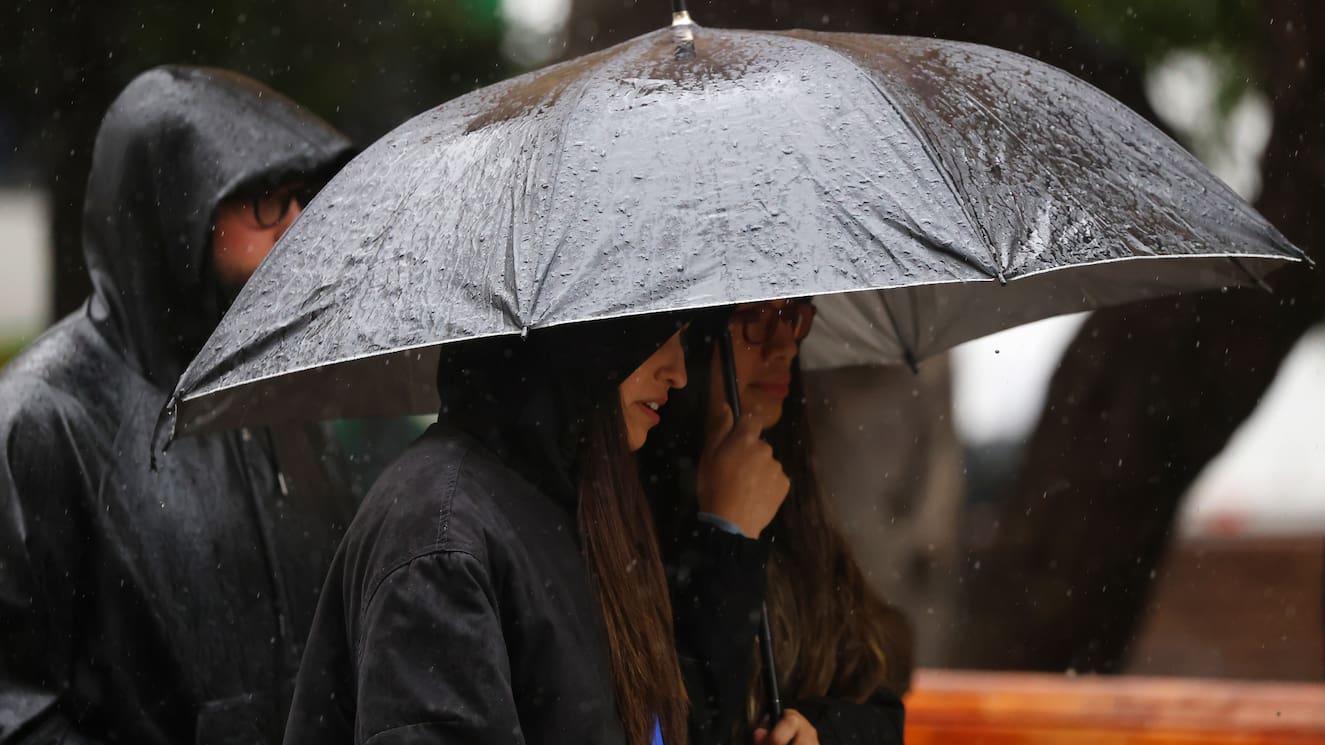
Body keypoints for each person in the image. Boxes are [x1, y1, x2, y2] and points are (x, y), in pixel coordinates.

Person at [0, 66, 355, 744]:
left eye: (298, 196)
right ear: (173, 208)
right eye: (263, 200)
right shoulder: (43, 419)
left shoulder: (282, 398)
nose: (295, 226)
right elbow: (18, 708)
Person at [284, 315, 702, 745]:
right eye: (655, 334)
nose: (679, 372)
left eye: (682, 339)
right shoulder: (439, 535)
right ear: (578, 335)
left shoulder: (555, 501)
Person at [645, 299, 912, 745]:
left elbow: (879, 702)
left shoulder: (793, 508)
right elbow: (674, 724)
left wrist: (819, 732)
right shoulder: (626, 523)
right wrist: (727, 537)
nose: (785, 345)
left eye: (795, 316)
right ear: (688, 334)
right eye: (753, 319)